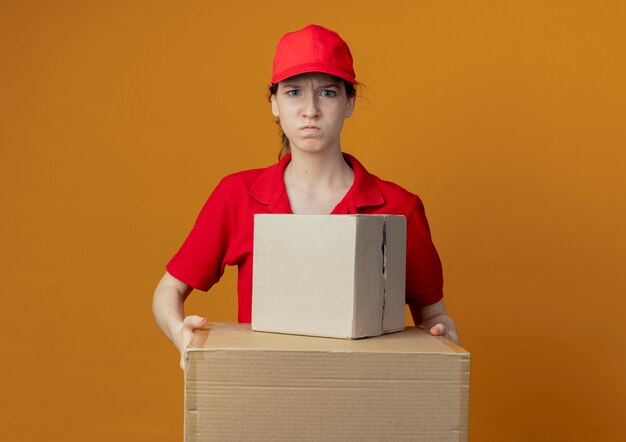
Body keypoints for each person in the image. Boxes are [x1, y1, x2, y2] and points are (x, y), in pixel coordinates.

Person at [152, 24, 459, 369]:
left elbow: (433, 315)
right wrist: (182, 335)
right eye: (294, 92)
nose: (310, 110)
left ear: (350, 102)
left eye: (327, 93)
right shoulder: (237, 195)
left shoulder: (399, 208)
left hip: (361, 397)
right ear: (274, 103)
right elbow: (167, 291)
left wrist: (442, 338)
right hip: (262, 391)